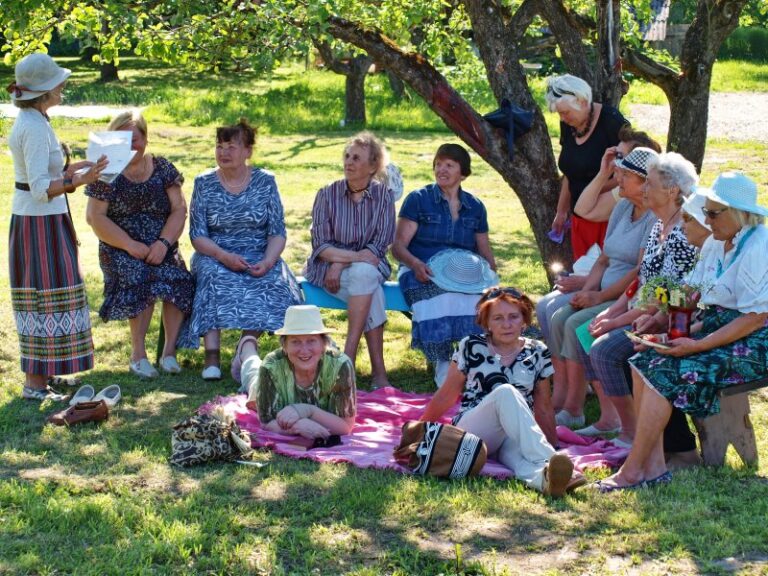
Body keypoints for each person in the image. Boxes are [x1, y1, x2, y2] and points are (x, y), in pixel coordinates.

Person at [594, 172, 768, 491]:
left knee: (667, 369)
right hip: (719, 327)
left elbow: (755, 318)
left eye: (713, 212)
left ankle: (633, 471)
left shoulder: (759, 245)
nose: (706, 219)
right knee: (642, 360)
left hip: (755, 342)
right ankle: (655, 466)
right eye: (705, 212)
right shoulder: (717, 242)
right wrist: (658, 318)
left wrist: (695, 345)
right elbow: (690, 292)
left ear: (740, 213)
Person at [7, 53, 108, 401]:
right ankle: (34, 384)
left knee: (50, 294)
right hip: (38, 224)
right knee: (41, 296)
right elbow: (38, 188)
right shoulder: (33, 128)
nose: (63, 87)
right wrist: (79, 181)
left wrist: (77, 168)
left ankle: (44, 373)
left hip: (44, 221)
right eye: (58, 84)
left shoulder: (36, 119)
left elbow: (46, 175)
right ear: (45, 90)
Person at [420, 288, 584, 497]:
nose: (507, 324)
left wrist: (553, 443)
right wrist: (421, 428)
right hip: (474, 429)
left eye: (513, 317)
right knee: (506, 391)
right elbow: (447, 395)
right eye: (498, 318)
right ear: (486, 322)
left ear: (524, 320)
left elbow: (543, 406)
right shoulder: (471, 345)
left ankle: (548, 480)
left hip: (514, 430)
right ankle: (549, 458)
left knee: (520, 460)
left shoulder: (537, 350)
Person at [584, 152, 700, 449]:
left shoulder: (684, 232)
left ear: (673, 190)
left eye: (650, 183)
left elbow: (671, 296)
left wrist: (618, 320)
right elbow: (642, 279)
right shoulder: (659, 226)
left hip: (673, 318)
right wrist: (614, 310)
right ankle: (629, 428)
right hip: (648, 312)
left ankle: (637, 432)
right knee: (592, 336)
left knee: (608, 348)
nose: (644, 189)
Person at [540, 148, 659, 430]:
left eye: (626, 174)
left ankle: (601, 414)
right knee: (559, 315)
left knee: (576, 324)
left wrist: (600, 296)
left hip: (625, 296)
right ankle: (570, 403)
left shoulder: (654, 217)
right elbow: (604, 258)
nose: (618, 178)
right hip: (606, 290)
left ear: (644, 182)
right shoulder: (622, 207)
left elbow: (638, 273)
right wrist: (587, 291)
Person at [185, 118, 302, 380]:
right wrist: (223, 257)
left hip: (259, 253)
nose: (223, 152)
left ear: (248, 151)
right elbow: (197, 235)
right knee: (213, 277)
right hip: (215, 253)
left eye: (231, 146)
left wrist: (269, 261)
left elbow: (277, 231)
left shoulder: (265, 181)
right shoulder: (203, 183)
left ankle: (246, 345)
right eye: (219, 146)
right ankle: (212, 356)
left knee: (272, 281)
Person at [85, 110, 194, 378]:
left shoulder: (162, 168)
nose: (129, 146)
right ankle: (138, 355)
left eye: (134, 139)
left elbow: (179, 210)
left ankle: (168, 353)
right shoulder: (106, 170)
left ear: (145, 139)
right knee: (140, 275)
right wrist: (130, 245)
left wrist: (163, 243)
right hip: (119, 248)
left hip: (161, 246)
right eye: (121, 140)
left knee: (179, 278)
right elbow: (94, 217)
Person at [392, 144, 497, 387]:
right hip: (421, 270)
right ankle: (443, 365)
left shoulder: (475, 206)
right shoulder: (419, 200)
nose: (442, 170)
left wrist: (491, 276)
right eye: (438, 164)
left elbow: (484, 249)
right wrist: (415, 264)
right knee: (439, 298)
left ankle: (476, 364)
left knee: (483, 303)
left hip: (465, 275)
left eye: (449, 165)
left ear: (463, 172)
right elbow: (398, 247)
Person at [304, 132, 395, 389]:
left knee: (365, 275)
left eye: (356, 158)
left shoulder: (384, 197)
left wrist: (342, 261)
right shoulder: (326, 194)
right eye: (346, 156)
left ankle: (348, 360)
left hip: (367, 266)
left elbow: (379, 245)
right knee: (370, 289)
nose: (348, 162)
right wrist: (350, 259)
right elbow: (320, 245)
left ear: (373, 166)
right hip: (327, 271)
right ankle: (375, 372)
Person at [545, 74, 629, 260]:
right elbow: (570, 172)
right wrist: (561, 211)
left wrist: (593, 190)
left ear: (583, 102)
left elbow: (631, 171)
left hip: (607, 217)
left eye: (565, 112)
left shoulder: (612, 122)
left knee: (602, 275)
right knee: (582, 271)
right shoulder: (570, 124)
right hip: (580, 217)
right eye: (559, 113)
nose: (563, 118)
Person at [243, 305, 356, 439]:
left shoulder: (340, 365)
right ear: (284, 346)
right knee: (253, 372)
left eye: (311, 341)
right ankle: (246, 348)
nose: (304, 350)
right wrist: (297, 427)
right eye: (295, 341)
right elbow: (267, 421)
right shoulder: (270, 366)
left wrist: (308, 411)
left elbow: (346, 426)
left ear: (324, 344)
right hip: (259, 382)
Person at [573, 125, 662, 222]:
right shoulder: (626, 191)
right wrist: (603, 173)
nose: (614, 161)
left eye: (619, 156)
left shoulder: (659, 214)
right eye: (616, 154)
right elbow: (582, 211)